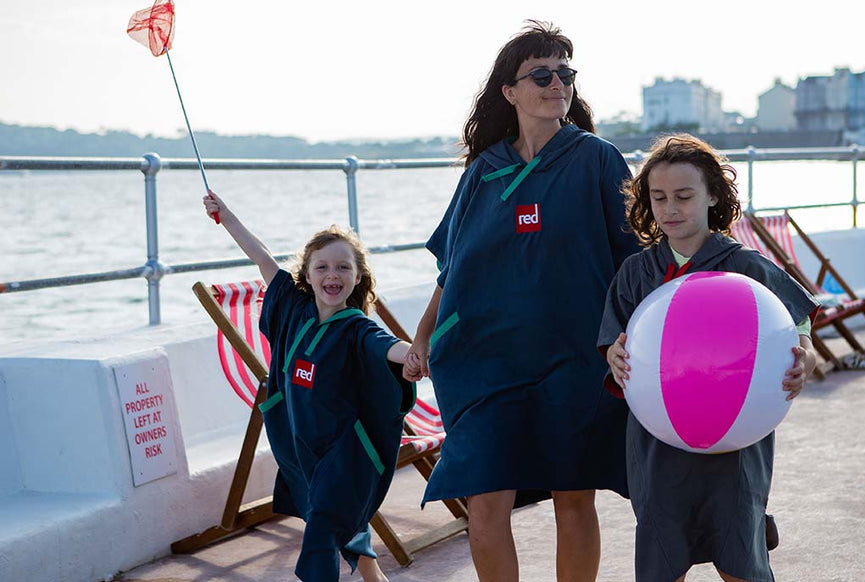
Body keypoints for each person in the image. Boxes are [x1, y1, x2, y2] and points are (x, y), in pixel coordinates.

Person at [405, 20, 640, 582]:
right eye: (542, 73)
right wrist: (421, 336)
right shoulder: (482, 172)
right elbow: (452, 265)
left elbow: (637, 259)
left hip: (576, 356)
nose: (557, 82)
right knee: (485, 503)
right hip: (483, 362)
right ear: (510, 92)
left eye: (565, 72)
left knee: (573, 496)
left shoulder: (598, 160)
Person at [598, 133, 820, 582]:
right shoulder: (635, 272)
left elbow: (797, 326)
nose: (671, 209)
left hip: (737, 445)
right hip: (658, 447)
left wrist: (807, 359)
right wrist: (615, 355)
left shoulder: (747, 266)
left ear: (712, 195)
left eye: (684, 196)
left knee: (740, 556)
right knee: (662, 555)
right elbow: (614, 342)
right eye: (658, 198)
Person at [203, 192, 420, 582]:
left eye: (342, 267)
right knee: (344, 520)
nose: (332, 275)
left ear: (358, 277)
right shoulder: (293, 309)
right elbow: (261, 258)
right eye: (321, 267)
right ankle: (375, 578)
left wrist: (416, 357)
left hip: (344, 453)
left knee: (322, 529)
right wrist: (225, 215)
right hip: (299, 445)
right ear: (306, 275)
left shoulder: (357, 328)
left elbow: (389, 347)